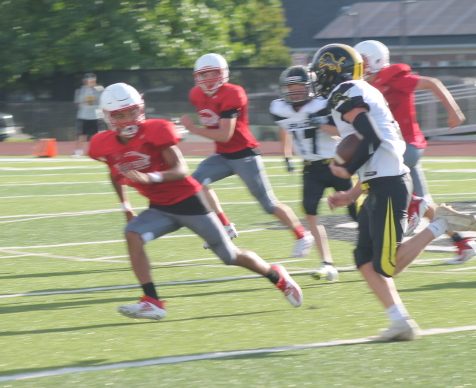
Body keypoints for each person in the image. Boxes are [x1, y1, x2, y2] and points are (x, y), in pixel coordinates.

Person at [88, 82, 303, 320]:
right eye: (120, 114)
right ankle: (152, 301)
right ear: (108, 117)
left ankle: (277, 277)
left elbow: (181, 169)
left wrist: (151, 177)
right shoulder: (103, 144)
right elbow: (114, 172)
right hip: (160, 208)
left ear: (141, 109)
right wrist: (125, 206)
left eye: (131, 111)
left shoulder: (155, 131)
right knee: (132, 234)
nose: (128, 119)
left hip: (189, 202)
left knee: (230, 256)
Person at [309, 43, 476, 341]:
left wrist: (347, 170)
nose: (317, 78)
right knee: (363, 259)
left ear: (333, 70)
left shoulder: (345, 92)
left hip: (389, 185)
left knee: (386, 265)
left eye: (320, 71)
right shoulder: (361, 89)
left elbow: (371, 137)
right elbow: (377, 144)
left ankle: (441, 224)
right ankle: (400, 321)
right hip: (379, 181)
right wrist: (351, 193)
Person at [180, 53, 313, 258]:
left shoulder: (233, 93)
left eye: (213, 73)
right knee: (194, 184)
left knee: (268, 204)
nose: (208, 79)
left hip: (245, 155)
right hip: (223, 155)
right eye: (203, 75)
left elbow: (225, 134)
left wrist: (194, 129)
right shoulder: (195, 94)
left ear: (223, 73)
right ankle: (225, 226)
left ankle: (302, 235)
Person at [353, 40, 475, 265]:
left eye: (363, 61)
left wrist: (453, 111)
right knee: (429, 206)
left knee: (383, 187)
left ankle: (412, 205)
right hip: (401, 148)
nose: (360, 66)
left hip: (405, 147)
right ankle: (462, 243)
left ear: (375, 60)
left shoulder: (392, 77)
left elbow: (432, 82)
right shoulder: (369, 85)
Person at [269, 65, 358, 281]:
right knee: (310, 214)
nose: (296, 91)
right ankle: (327, 263)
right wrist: (287, 156)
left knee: (357, 212)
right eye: (291, 87)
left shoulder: (323, 105)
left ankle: (376, 249)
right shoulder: (280, 109)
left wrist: (323, 125)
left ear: (311, 87)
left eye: (300, 86)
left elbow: (347, 131)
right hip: (310, 167)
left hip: (336, 163)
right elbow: (285, 128)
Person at [73, 73, 104, 157]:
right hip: (83, 115)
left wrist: (94, 89)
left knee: (96, 135)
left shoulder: (99, 89)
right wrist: (86, 92)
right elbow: (77, 102)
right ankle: (78, 152)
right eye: (88, 80)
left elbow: (101, 101)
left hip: (96, 115)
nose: (90, 82)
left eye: (92, 80)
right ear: (85, 81)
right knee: (81, 135)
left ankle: (96, 151)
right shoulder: (80, 90)